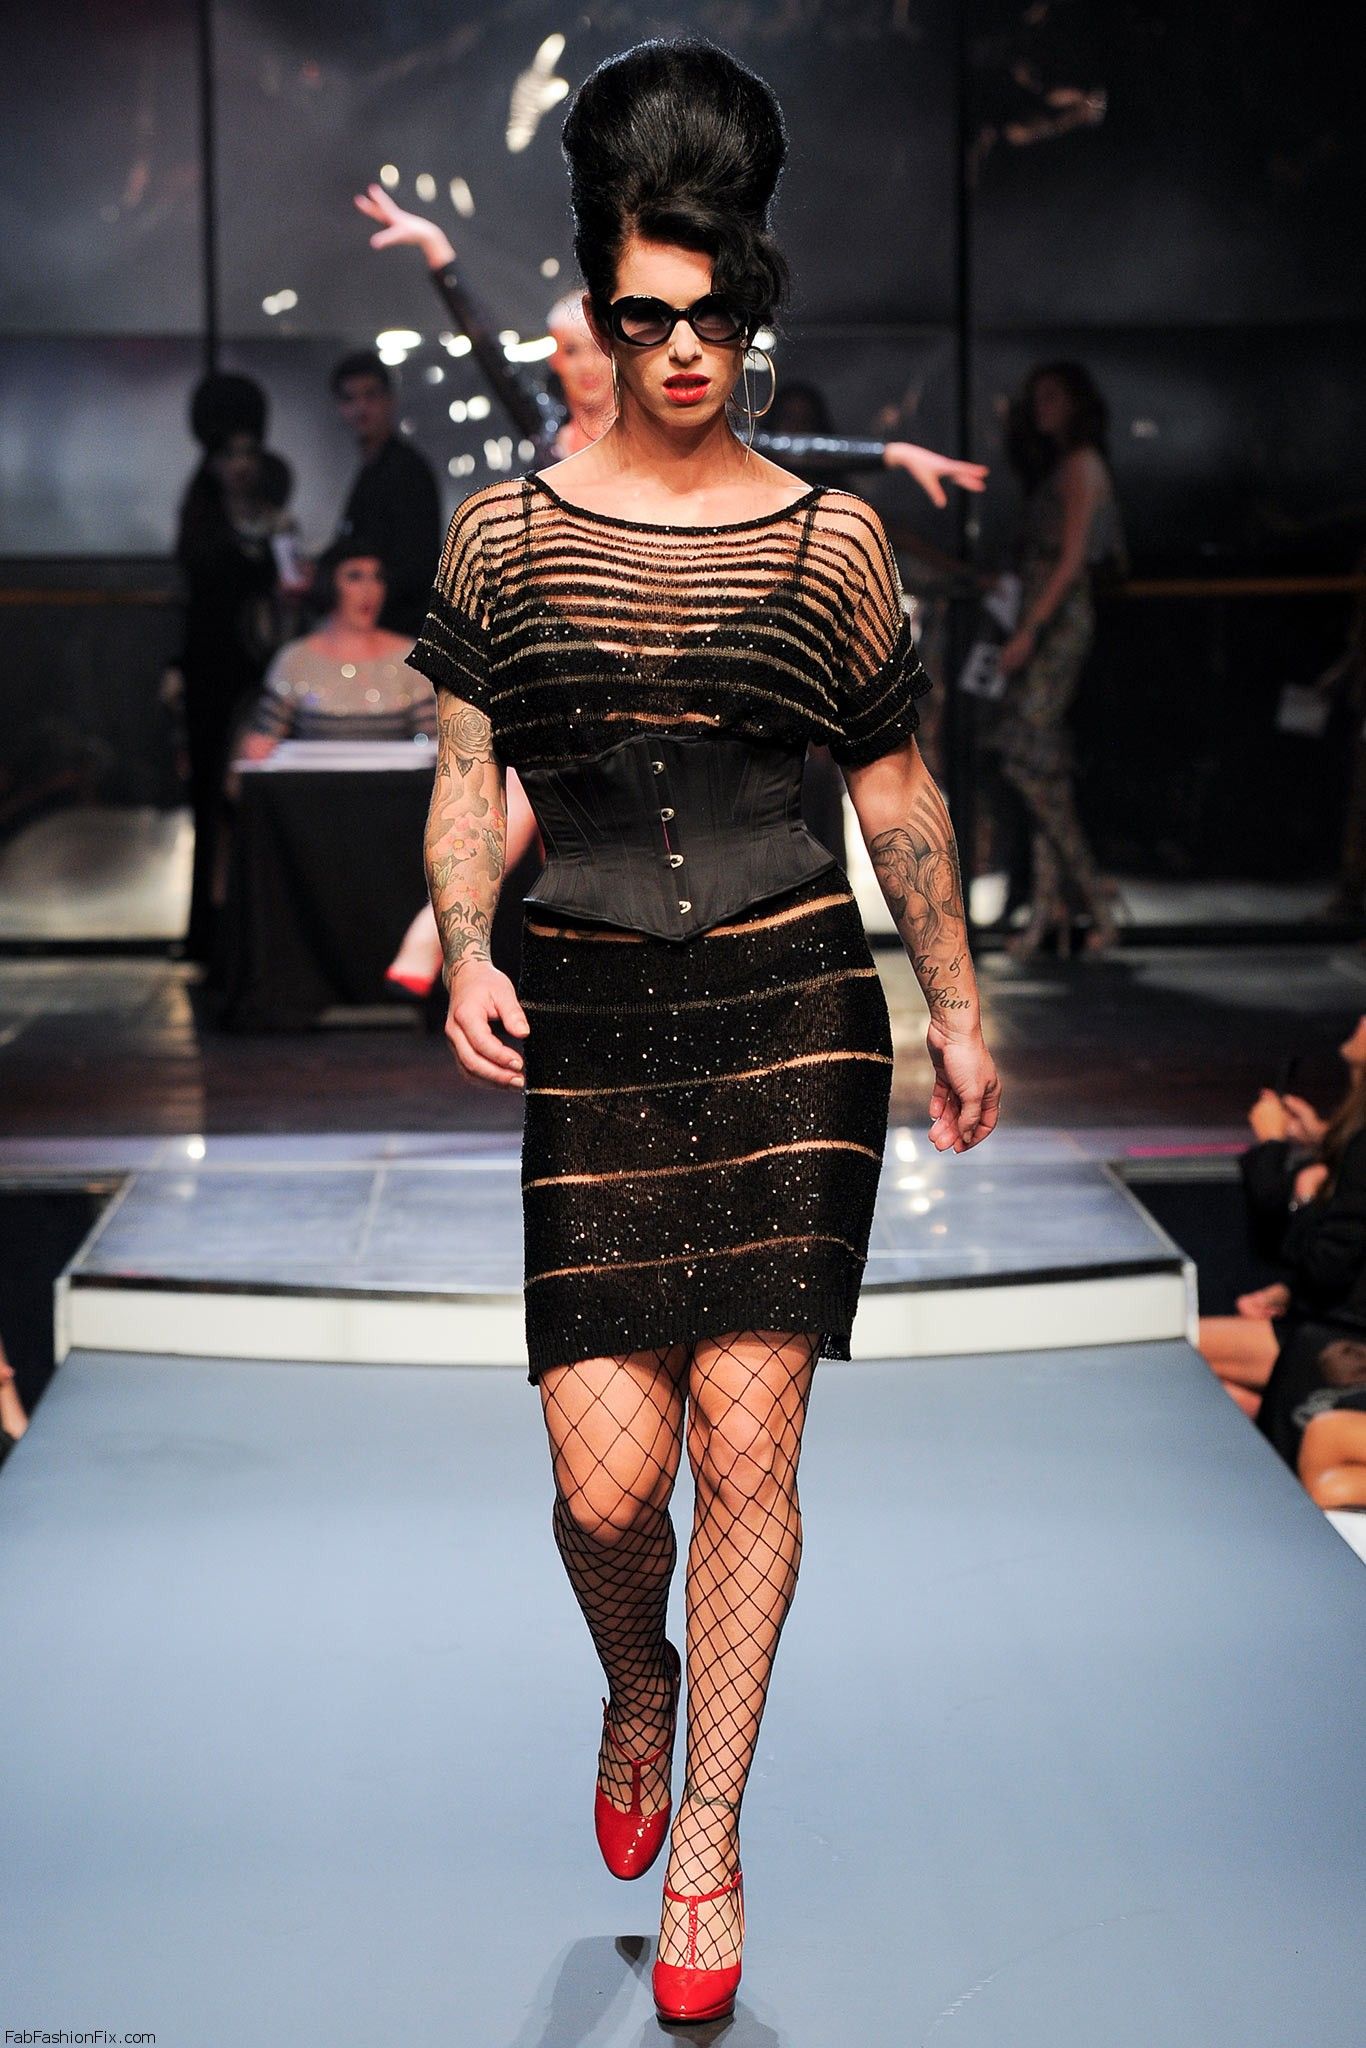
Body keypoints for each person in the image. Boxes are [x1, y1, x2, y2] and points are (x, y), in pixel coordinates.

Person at [405, 36, 1001, 2026]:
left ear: (752, 305)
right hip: (593, 1018)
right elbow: (464, 774)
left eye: (714, 314)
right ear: (600, 304)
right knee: (604, 1492)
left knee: (748, 1448)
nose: (683, 350)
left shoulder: (832, 543)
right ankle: (635, 1681)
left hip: (793, 1011)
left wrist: (957, 1006)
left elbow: (895, 789)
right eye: (647, 314)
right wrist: (466, 945)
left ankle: (715, 1841)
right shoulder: (502, 536)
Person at [358, 190, 986, 996]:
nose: (579, 363)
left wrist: (895, 453)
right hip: (578, 687)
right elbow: (485, 348)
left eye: (707, 319)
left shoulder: (748, 467)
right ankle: (441, 935)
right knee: (529, 767)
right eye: (638, 322)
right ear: (603, 331)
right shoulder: (537, 453)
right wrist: (439, 255)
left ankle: (434, 934)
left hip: (732, 806)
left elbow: (786, 451)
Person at [984, 360, 1128, 957]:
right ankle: (1052, 910)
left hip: (1057, 619)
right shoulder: (1061, 465)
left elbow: (1072, 562)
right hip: (1040, 610)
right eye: (1036, 397)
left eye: (1052, 397)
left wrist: (1030, 632)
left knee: (1029, 758)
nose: (1041, 407)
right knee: (1038, 767)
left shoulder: (1083, 465)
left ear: (1075, 403)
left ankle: (1093, 897)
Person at [1199, 1015, 1366, 1419]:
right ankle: (1277, 1422)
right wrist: (1288, 1292)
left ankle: (1280, 1425)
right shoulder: (1355, 1139)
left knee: (1179, 1349)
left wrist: (1273, 1147)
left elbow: (1323, 1264)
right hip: (1333, 1323)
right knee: (1215, 1387)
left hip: (1342, 1339)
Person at [174, 374, 284, 963]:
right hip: (210, 674)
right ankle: (207, 934)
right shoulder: (202, 524)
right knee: (209, 798)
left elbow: (290, 595)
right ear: (214, 463)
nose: (240, 465)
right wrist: (174, 666)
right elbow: (191, 603)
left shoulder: (276, 523)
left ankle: (248, 935)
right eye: (229, 455)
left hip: (264, 673)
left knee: (251, 797)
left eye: (248, 453)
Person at [236, 539, 435, 755]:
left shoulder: (409, 655)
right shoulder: (296, 659)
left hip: (395, 777)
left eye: (378, 578)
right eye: (354, 577)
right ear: (329, 583)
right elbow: (261, 742)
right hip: (313, 776)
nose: (369, 590)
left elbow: (434, 743)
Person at [331, 351, 443, 636]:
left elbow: (416, 567)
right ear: (340, 407)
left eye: (370, 396)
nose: (361, 408)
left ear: (389, 400)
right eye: (350, 398)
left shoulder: (407, 471)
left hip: (399, 632)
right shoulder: (371, 469)